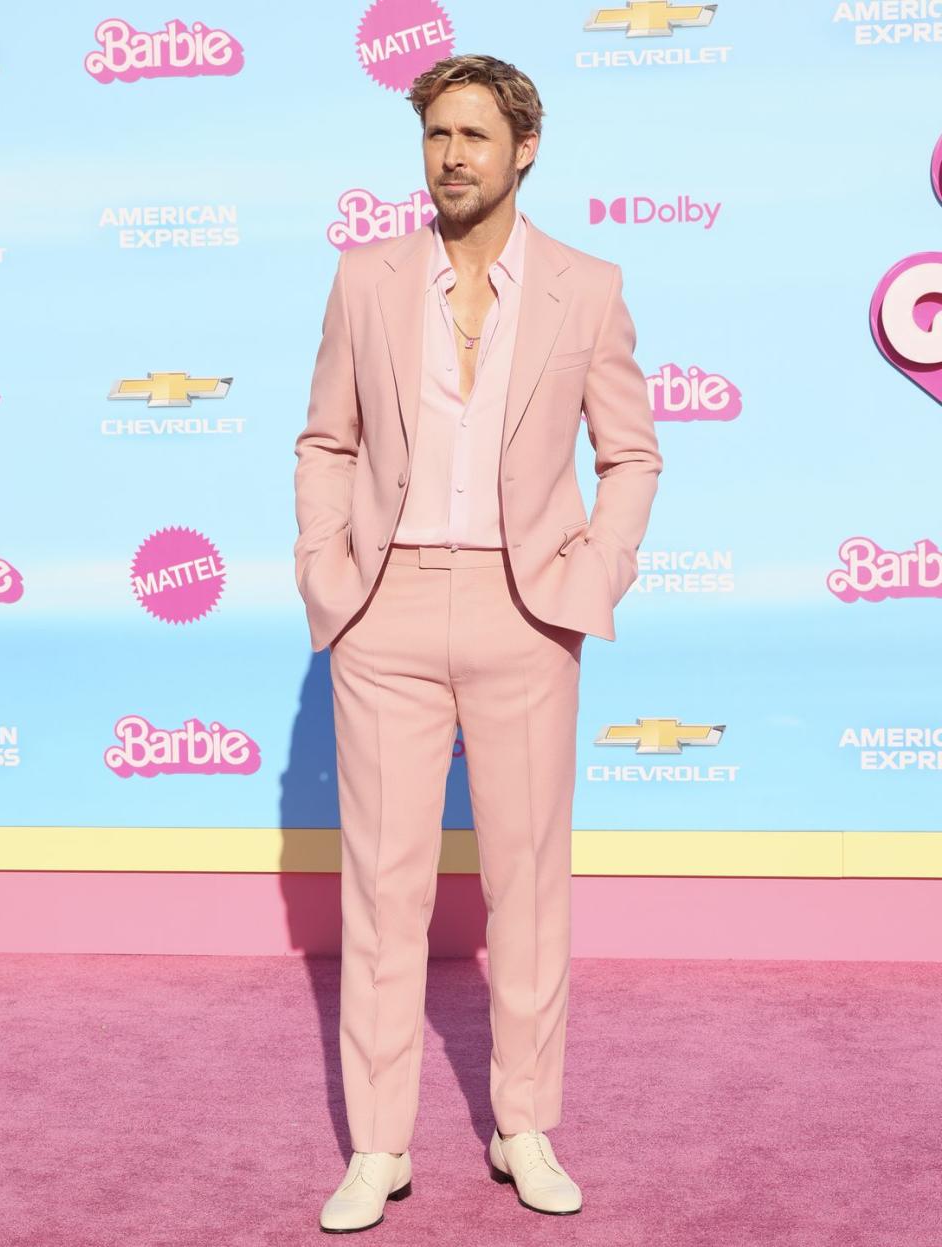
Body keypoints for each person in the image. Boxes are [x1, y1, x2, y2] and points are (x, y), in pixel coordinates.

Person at [293, 53, 663, 1233]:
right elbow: (326, 441)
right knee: (385, 889)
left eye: (474, 136)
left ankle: (525, 1123)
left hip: (525, 611)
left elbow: (632, 452)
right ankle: (380, 1145)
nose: (452, 156)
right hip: (386, 611)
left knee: (528, 888)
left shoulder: (586, 286)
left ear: (524, 149)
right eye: (436, 136)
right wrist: (329, 577)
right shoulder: (365, 279)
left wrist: (588, 577)